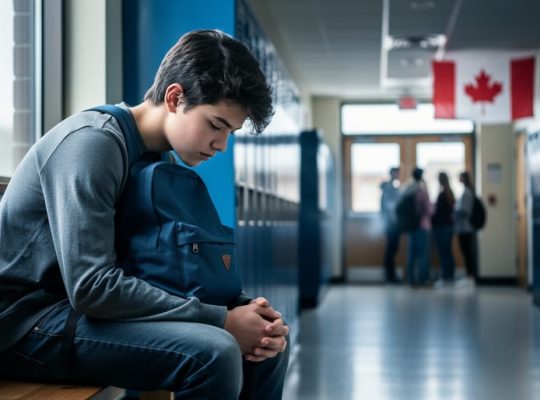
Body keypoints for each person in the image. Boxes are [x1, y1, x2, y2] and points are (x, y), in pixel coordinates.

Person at [0, 30, 289, 399]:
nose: (221, 145)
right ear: (174, 97)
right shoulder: (93, 143)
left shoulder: (159, 161)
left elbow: (175, 271)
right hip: (26, 323)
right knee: (213, 353)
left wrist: (246, 310)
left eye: (230, 132)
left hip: (81, 316)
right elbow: (91, 287)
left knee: (266, 345)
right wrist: (222, 320)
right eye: (216, 125)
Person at [400, 167, 432, 288]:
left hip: (410, 226)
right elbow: (429, 209)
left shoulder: (407, 188)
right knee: (422, 254)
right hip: (422, 225)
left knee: (411, 254)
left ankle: (411, 280)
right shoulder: (422, 189)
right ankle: (423, 279)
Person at [431, 172, 456, 287]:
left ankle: (446, 277)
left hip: (442, 227)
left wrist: (431, 215)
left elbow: (438, 213)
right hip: (449, 226)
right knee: (447, 252)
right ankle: (449, 276)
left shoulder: (442, 195)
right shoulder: (450, 193)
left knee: (444, 253)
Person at [454, 170, 478, 286]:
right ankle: (468, 275)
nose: (459, 179)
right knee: (465, 252)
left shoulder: (467, 193)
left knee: (467, 252)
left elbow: (465, 211)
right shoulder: (465, 192)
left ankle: (470, 277)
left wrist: (455, 211)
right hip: (462, 228)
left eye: (460, 177)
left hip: (466, 228)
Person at [380, 166, 401, 283]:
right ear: (392, 174)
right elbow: (390, 207)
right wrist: (395, 222)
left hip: (391, 224)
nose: (398, 175)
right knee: (391, 250)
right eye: (397, 173)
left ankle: (391, 275)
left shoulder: (393, 187)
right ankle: (390, 276)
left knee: (392, 249)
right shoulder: (389, 188)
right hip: (391, 225)